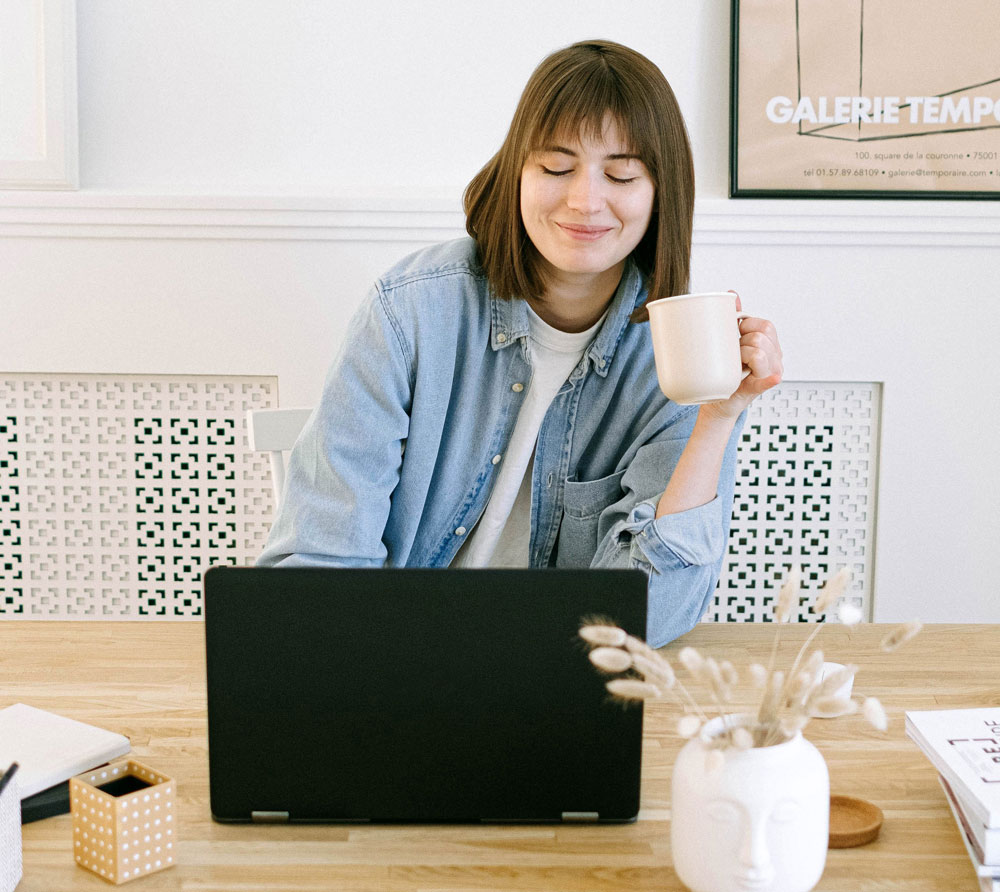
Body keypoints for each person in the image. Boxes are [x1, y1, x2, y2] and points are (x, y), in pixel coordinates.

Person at [257, 39, 783, 646]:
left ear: (661, 191)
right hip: (393, 657)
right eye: (556, 167)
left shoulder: (683, 351)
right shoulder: (411, 309)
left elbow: (647, 618)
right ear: (516, 173)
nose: (585, 201)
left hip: (558, 680)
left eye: (621, 173)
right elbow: (318, 569)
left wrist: (717, 418)